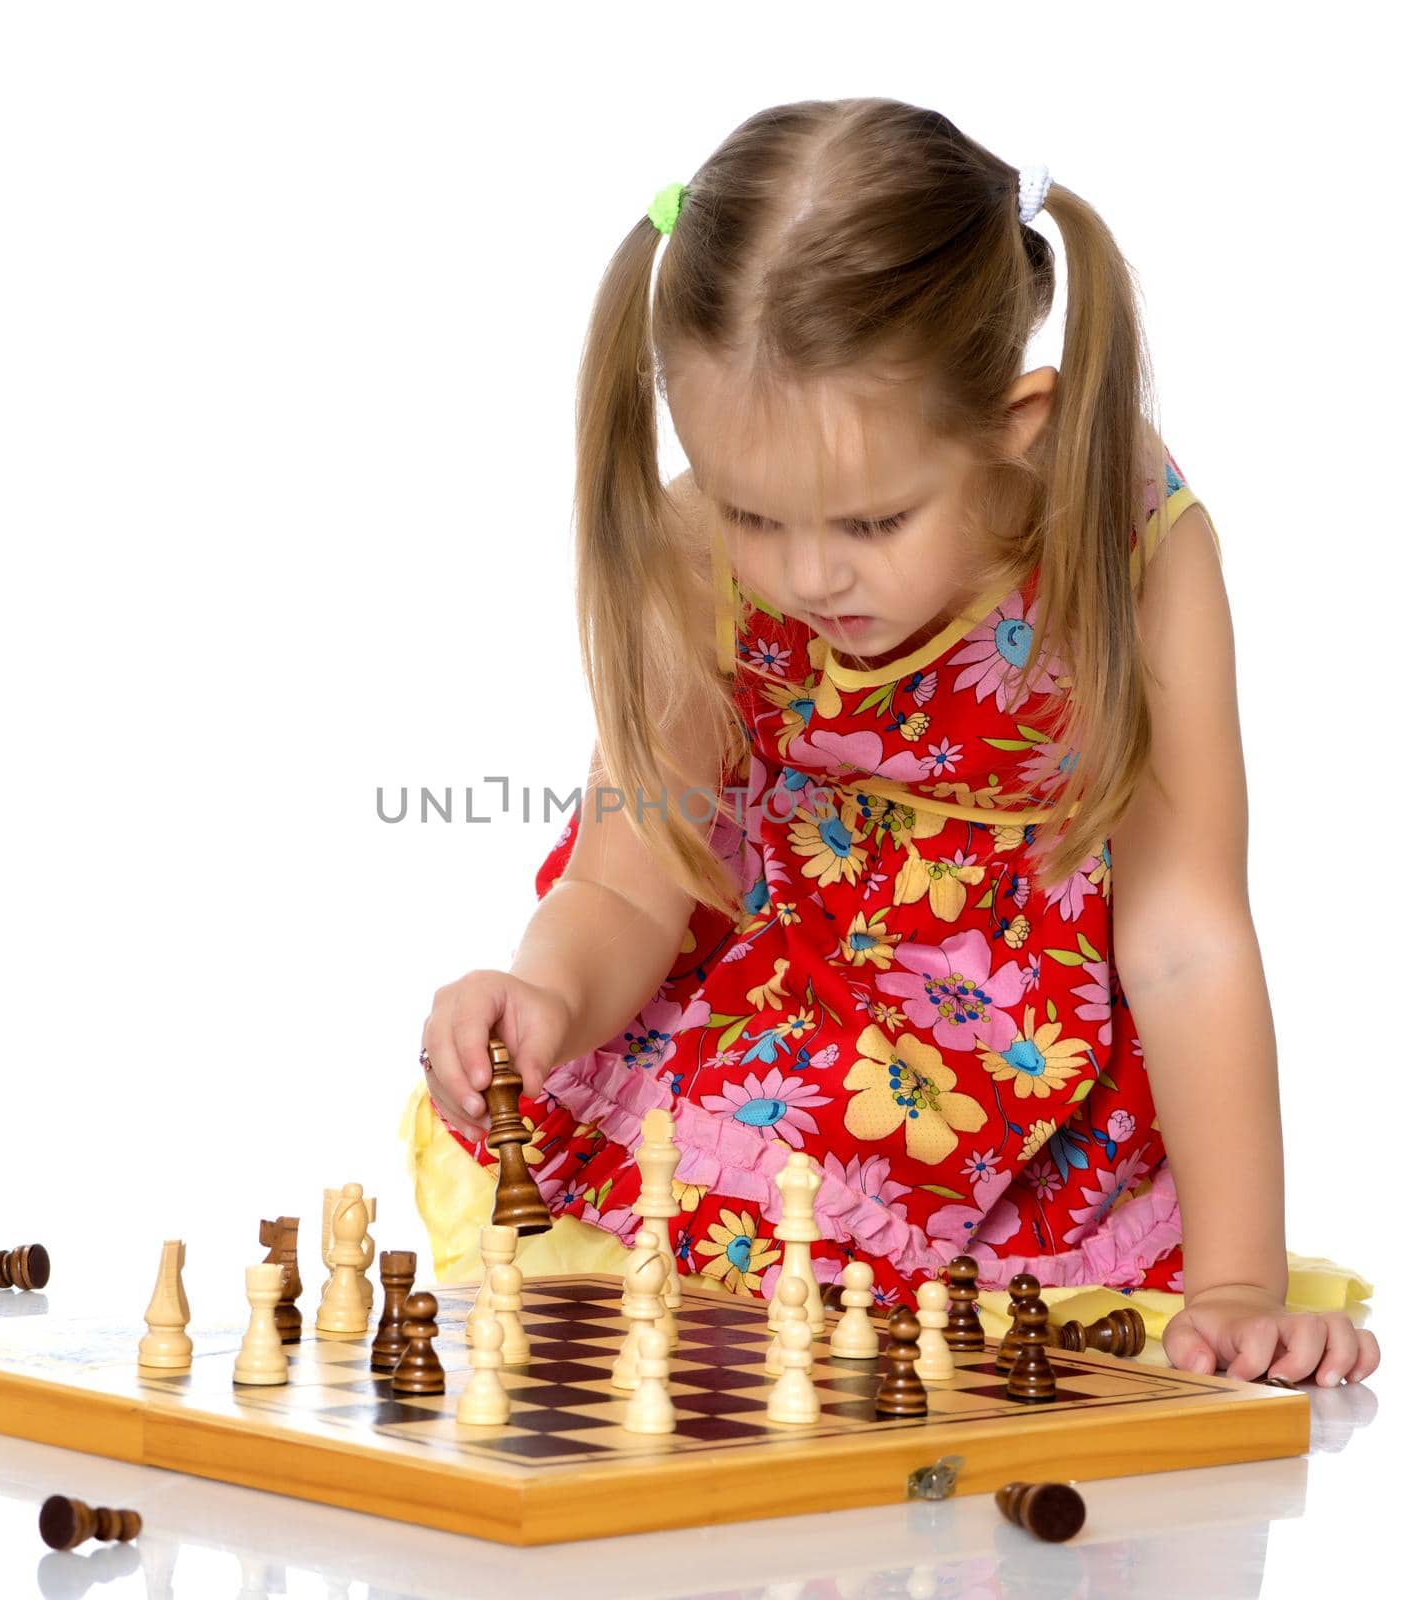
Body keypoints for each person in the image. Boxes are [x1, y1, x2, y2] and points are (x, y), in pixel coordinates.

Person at [406, 97, 1379, 1387]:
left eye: (872, 523)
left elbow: (1187, 932)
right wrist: (549, 995)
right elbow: (631, 872)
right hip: (785, 1009)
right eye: (756, 512)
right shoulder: (700, 551)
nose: (809, 575)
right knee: (700, 1265)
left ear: (1015, 423)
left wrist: (1243, 1279)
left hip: (1022, 1073)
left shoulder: (1126, 541)